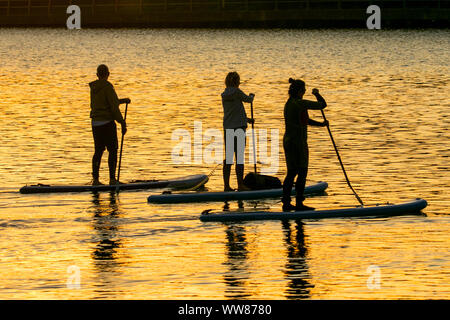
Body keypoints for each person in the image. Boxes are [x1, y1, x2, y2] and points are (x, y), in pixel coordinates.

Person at [282, 78, 328, 211]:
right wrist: (317, 94)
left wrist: (321, 124)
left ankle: (286, 203)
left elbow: (305, 121)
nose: (305, 92)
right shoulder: (300, 103)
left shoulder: (289, 103)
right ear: (300, 91)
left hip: (288, 141)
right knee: (302, 171)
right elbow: (322, 105)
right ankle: (299, 203)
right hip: (298, 143)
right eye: (304, 90)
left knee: (291, 172)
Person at [89, 64, 130, 185]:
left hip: (95, 123)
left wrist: (123, 101)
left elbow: (108, 102)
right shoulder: (107, 86)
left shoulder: (94, 88)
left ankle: (95, 180)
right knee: (113, 150)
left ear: (97, 75)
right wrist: (122, 123)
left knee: (98, 150)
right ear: (108, 74)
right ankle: (112, 179)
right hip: (107, 123)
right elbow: (113, 107)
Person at [221, 71, 255, 191]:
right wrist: (252, 96)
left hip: (228, 128)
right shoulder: (237, 92)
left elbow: (234, 112)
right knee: (239, 157)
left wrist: (247, 119)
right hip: (239, 128)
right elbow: (248, 100)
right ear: (237, 82)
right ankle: (240, 185)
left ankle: (226, 186)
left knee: (229, 158)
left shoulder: (224, 94)